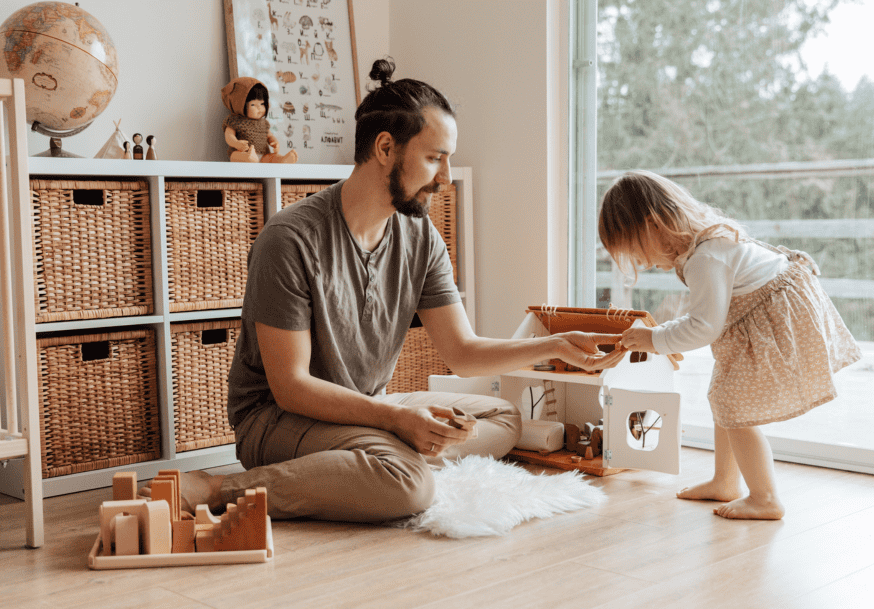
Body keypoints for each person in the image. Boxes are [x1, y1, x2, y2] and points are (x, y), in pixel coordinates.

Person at [145, 58, 625, 523]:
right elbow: (291, 388)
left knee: (501, 419)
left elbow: (461, 352)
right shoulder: (289, 239)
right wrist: (394, 422)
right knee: (410, 486)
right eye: (435, 158)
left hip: (367, 407)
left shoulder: (420, 237)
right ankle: (219, 489)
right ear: (385, 148)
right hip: (278, 419)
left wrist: (556, 345)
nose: (446, 178)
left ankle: (376, 458)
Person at [599, 170, 862, 520]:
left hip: (775, 323)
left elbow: (704, 326)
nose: (641, 262)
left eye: (636, 249)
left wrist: (654, 338)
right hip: (763, 316)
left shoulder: (705, 258)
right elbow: (708, 318)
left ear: (654, 224)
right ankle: (725, 481)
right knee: (724, 397)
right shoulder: (705, 244)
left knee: (734, 408)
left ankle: (765, 497)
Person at [221, 76, 299, 164]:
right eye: (253, 105)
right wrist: (236, 143)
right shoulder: (235, 120)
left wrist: (274, 142)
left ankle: (282, 160)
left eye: (262, 104)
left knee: (272, 157)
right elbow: (229, 136)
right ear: (239, 105)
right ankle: (249, 158)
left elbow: (269, 136)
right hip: (243, 152)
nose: (259, 108)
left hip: (264, 155)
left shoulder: (264, 123)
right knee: (235, 156)